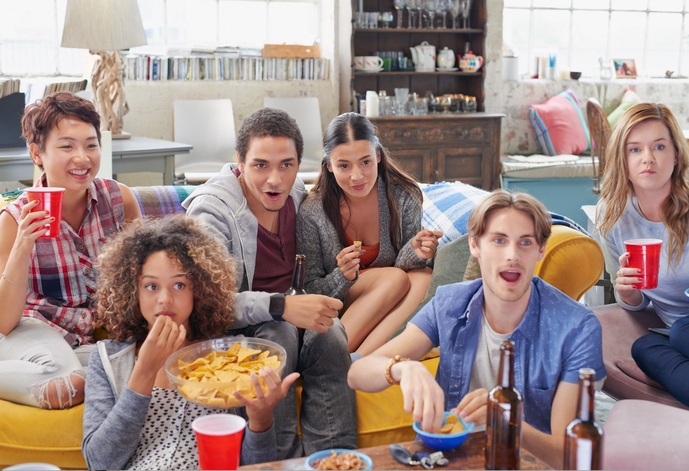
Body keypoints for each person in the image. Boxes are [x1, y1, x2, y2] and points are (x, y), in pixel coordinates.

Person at [348, 189, 606, 468]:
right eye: (498, 240)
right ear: (475, 246)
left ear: (540, 250)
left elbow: (568, 456)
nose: (512, 256)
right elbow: (357, 372)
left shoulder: (578, 328)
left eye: (525, 242)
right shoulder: (449, 303)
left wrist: (508, 422)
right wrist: (403, 368)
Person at [183, 107, 357, 459]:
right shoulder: (211, 213)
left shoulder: (297, 195)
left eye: (287, 165)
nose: (275, 180)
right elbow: (206, 306)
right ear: (240, 162)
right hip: (244, 331)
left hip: (298, 314)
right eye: (260, 165)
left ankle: (335, 459)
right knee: (278, 334)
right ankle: (277, 461)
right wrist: (281, 307)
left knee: (332, 332)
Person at [82, 215, 297, 469]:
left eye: (179, 285)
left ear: (199, 288)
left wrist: (261, 421)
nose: (165, 299)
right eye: (151, 286)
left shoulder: (231, 359)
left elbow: (256, 465)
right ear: (133, 290)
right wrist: (145, 371)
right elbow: (99, 463)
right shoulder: (108, 359)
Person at [0, 91, 141, 409]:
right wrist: (24, 246)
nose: (83, 158)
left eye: (91, 145)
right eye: (67, 146)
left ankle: (80, 373)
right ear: (37, 153)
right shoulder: (14, 220)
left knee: (144, 361)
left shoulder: (120, 200)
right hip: (32, 328)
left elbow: (144, 274)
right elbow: (5, 322)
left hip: (90, 335)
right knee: (61, 375)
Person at [297, 112, 442, 355]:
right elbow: (308, 290)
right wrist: (342, 275)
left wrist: (415, 251)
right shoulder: (312, 213)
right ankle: (332, 354)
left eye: (365, 162)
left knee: (424, 276)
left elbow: (404, 266)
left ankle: (365, 359)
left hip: (387, 301)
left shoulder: (404, 196)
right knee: (395, 278)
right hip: (337, 308)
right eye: (344, 165)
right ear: (329, 166)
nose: (357, 176)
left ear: (378, 156)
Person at [596, 102, 689, 411]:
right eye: (635, 150)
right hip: (678, 333)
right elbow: (638, 302)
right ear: (622, 159)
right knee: (645, 348)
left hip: (687, 331)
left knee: (682, 332)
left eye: (659, 146)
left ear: (676, 154)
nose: (648, 159)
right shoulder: (612, 217)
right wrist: (627, 293)